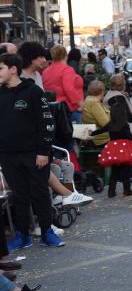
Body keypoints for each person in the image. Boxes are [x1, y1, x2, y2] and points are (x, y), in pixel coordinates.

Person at [0, 53, 65, 250]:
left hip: (35, 154)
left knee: (40, 194)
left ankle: (47, 232)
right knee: (19, 196)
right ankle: (22, 235)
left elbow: (47, 122)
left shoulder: (33, 91)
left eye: (0, 68)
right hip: (8, 155)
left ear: (13, 69)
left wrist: (43, 151)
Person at [90, 95, 132, 198]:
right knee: (126, 170)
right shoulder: (124, 124)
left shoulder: (111, 124)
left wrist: (91, 133)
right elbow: (129, 136)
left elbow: (101, 130)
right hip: (125, 149)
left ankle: (111, 191)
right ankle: (127, 190)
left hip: (113, 149)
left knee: (115, 171)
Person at [42, 45, 84, 124]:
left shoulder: (46, 71)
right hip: (69, 109)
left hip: (53, 108)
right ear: (66, 55)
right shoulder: (67, 70)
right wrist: (80, 104)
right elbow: (69, 89)